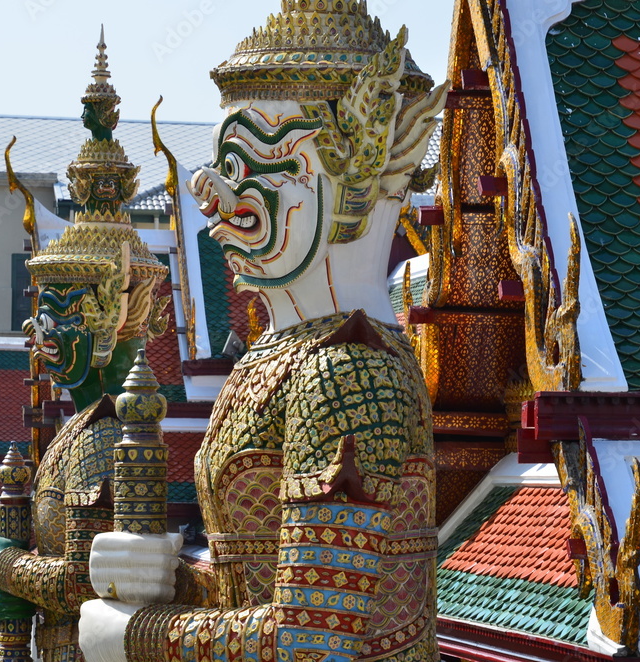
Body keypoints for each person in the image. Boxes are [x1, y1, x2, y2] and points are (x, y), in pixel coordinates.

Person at [79, 2, 448, 660]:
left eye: (251, 165)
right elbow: (256, 592)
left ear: (356, 172)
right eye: (220, 166)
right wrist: (168, 581)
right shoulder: (287, 356)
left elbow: (315, 636)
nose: (213, 193)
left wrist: (137, 636)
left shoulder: (351, 369)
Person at [0, 31, 168, 662]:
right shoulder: (79, 431)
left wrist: (2, 562)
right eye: (41, 312)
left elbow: (88, 580)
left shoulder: (113, 438)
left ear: (109, 317)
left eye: (60, 312)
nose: (41, 333)